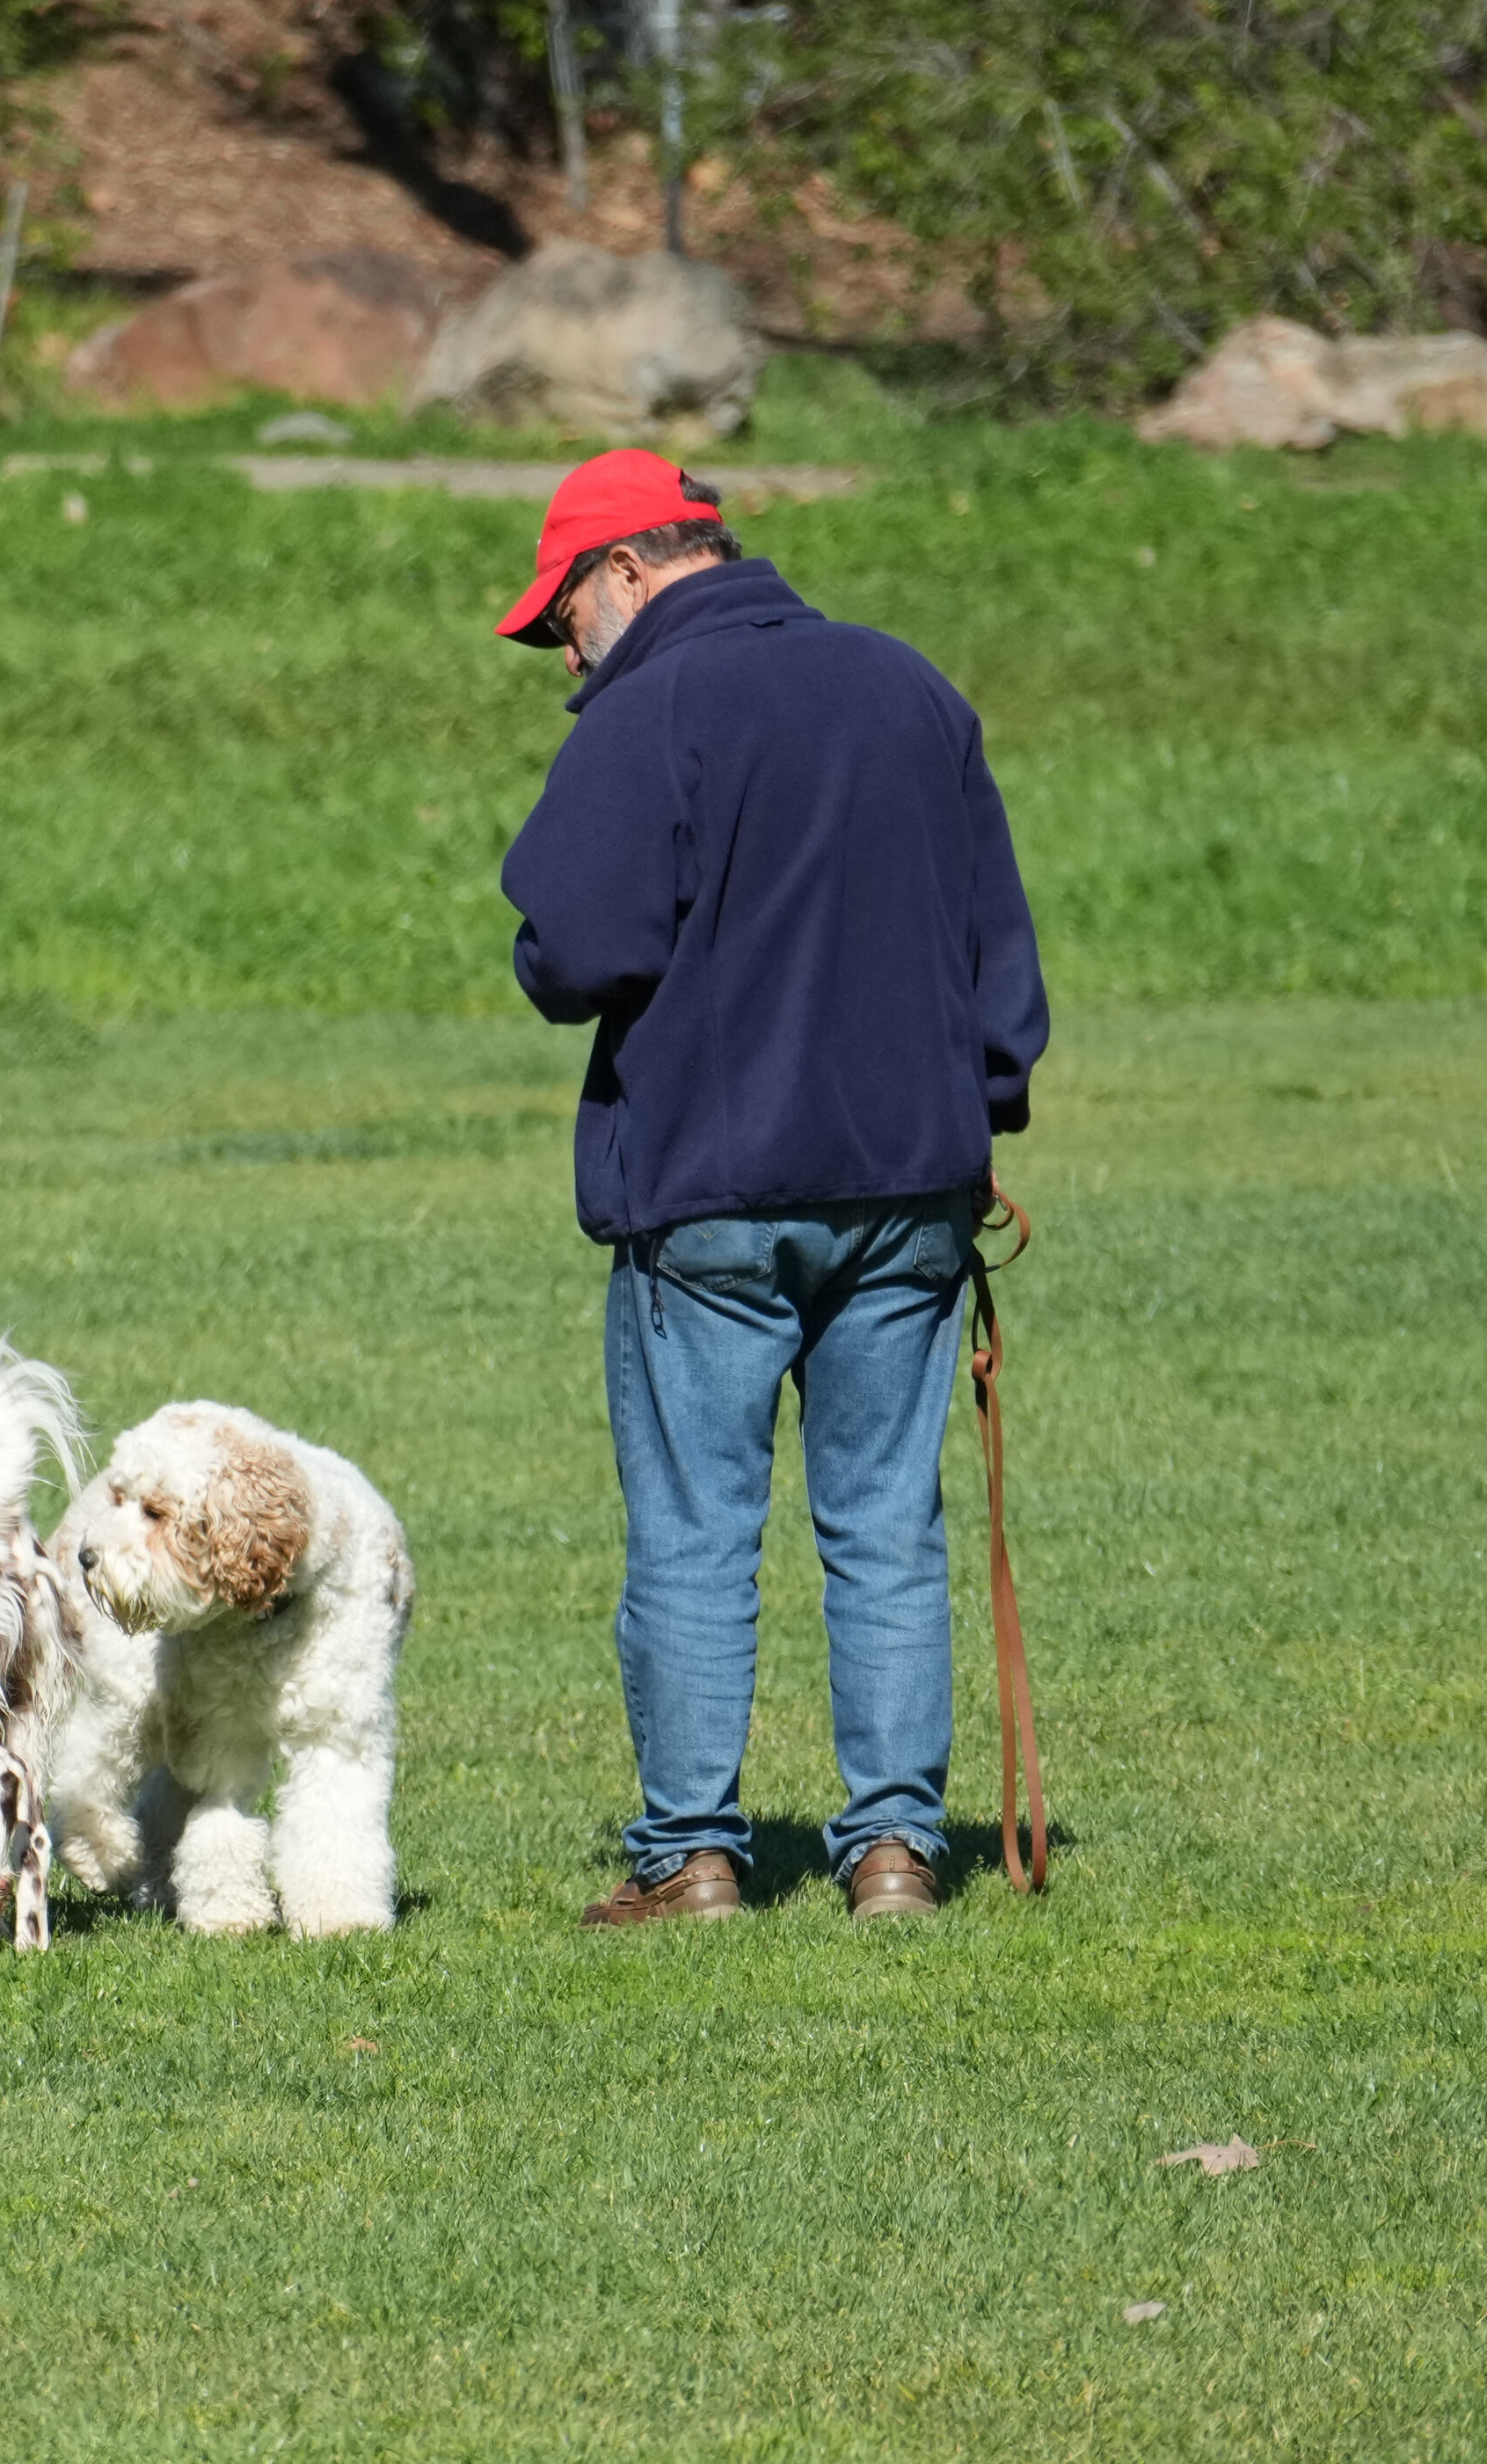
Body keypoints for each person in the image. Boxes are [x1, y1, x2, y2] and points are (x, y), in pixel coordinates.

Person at [492, 449, 1047, 1928]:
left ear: (625, 571)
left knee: (692, 1530)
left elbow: (572, 956)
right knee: (885, 1524)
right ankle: (892, 1858)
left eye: (561, 620)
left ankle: (692, 1861)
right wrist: (982, 1111)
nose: (565, 653)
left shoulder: (651, 703)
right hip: (911, 1182)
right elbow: (998, 946)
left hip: (713, 1193)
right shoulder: (911, 688)